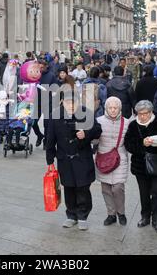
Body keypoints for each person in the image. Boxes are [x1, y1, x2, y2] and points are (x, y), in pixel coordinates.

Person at [46, 87, 102, 231]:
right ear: (62, 102)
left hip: (82, 157)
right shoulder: (54, 116)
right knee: (69, 187)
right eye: (68, 102)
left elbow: (98, 129)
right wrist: (50, 161)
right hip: (64, 158)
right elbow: (50, 139)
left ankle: (83, 215)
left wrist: (86, 133)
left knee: (83, 187)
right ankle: (71, 215)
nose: (71, 105)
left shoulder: (86, 113)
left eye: (74, 102)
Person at [124, 100, 157, 234]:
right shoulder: (133, 126)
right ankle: (145, 216)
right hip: (140, 166)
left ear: (151, 112)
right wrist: (142, 144)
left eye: (145, 113)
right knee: (144, 193)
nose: (142, 116)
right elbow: (129, 145)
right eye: (139, 113)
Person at [94, 97, 129, 227]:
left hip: (120, 158)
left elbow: (130, 141)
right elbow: (94, 140)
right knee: (106, 189)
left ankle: (121, 212)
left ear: (120, 108)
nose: (113, 110)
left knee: (118, 187)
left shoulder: (126, 122)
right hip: (103, 159)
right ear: (106, 108)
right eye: (110, 108)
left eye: (116, 108)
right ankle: (111, 214)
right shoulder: (99, 121)